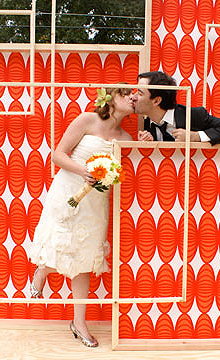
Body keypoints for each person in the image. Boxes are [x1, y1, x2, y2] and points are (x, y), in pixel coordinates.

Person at [29, 87, 133, 348]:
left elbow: (116, 171)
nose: (132, 98)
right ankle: (44, 270)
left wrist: (141, 140)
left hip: (96, 202)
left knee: (85, 258)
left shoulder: (126, 136)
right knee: (63, 244)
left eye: (134, 95)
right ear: (110, 99)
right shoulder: (87, 119)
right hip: (68, 191)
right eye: (126, 94)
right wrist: (84, 170)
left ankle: (79, 322)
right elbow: (58, 154)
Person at [131, 71, 220, 144]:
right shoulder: (146, 125)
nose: (133, 97)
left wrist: (195, 136)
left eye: (140, 93)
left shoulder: (193, 115)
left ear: (156, 101)